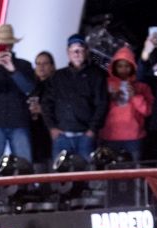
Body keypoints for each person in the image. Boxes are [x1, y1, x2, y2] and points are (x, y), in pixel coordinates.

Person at [0, 23, 36, 175]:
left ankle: (24, 196)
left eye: (7, 44)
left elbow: (29, 88)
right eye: (1, 44)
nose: (4, 47)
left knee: (25, 165)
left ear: (12, 45)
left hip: (19, 123)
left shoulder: (23, 65)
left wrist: (13, 70)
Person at [43, 34, 109, 162]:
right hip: (62, 136)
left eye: (80, 49)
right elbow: (46, 104)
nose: (77, 53)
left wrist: (92, 131)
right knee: (60, 178)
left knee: (86, 176)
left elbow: (102, 104)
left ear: (86, 51)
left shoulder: (97, 76)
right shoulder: (58, 77)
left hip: (86, 136)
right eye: (73, 50)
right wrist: (52, 128)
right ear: (68, 53)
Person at [99, 46, 153, 161]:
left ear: (133, 67)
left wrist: (135, 96)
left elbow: (147, 111)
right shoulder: (105, 84)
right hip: (110, 135)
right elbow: (97, 108)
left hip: (134, 137)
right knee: (111, 174)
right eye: (119, 66)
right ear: (113, 67)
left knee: (135, 173)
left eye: (127, 66)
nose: (123, 70)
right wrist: (108, 98)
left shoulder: (141, 86)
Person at [30, 51, 56, 168]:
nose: (41, 67)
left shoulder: (58, 84)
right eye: (38, 63)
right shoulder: (31, 86)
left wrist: (43, 110)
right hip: (34, 132)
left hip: (51, 131)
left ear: (52, 66)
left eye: (45, 63)